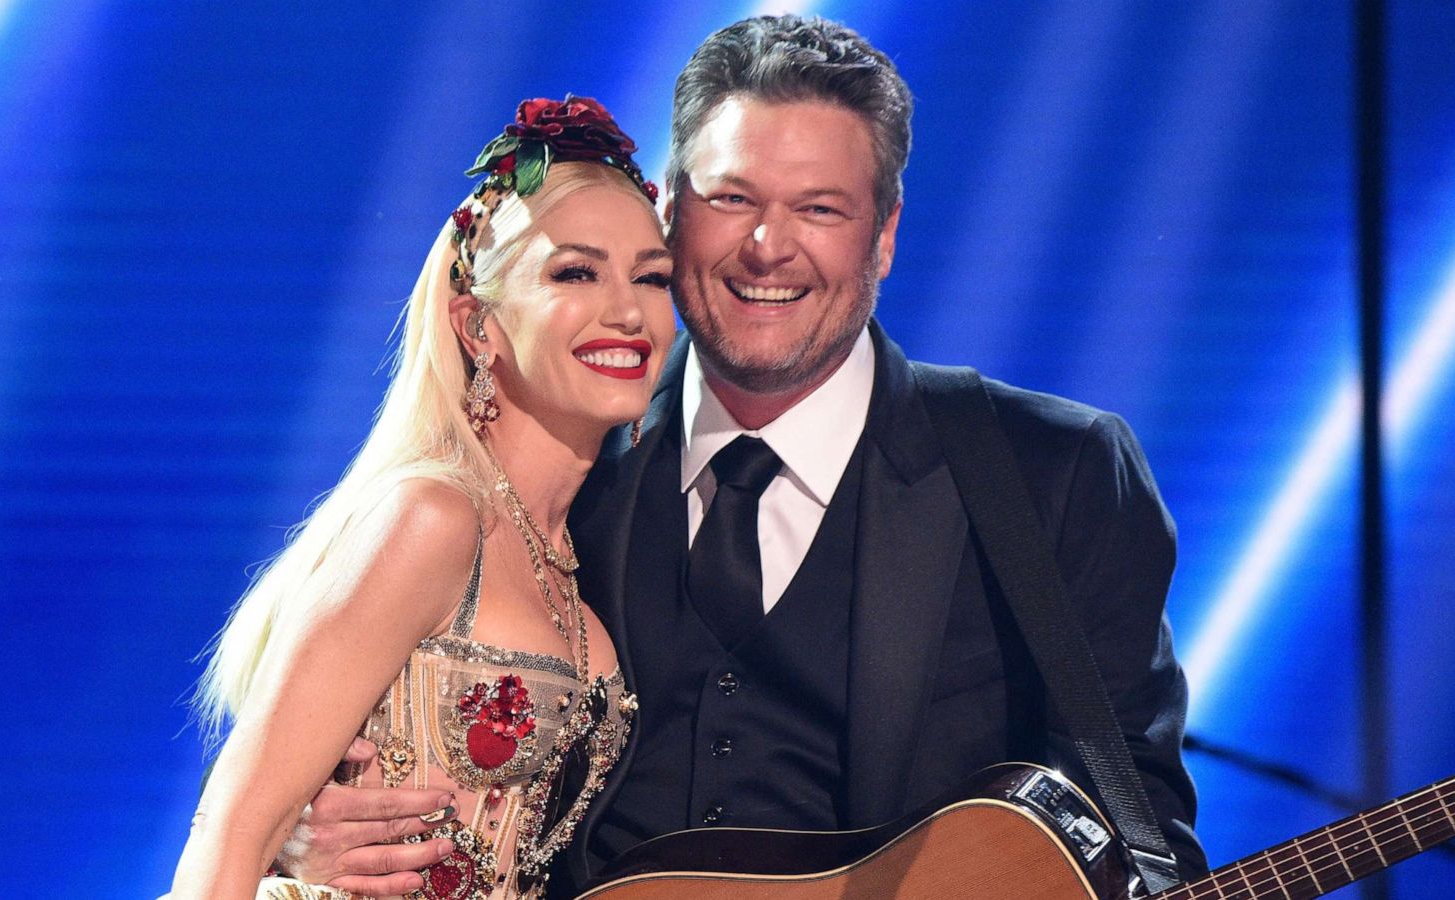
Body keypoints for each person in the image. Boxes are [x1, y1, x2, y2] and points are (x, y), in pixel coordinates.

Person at [280, 15, 1209, 899]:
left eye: (820, 208)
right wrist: (306, 828)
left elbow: (1141, 835)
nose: (769, 248)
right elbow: (341, 740)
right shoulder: (550, 463)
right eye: (733, 199)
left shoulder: (1055, 472)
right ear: (671, 212)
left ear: (883, 236)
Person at [168, 96, 676, 899]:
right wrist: (287, 846)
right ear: (477, 325)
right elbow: (235, 822)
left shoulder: (576, 554)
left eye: (652, 277)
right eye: (575, 272)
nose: (629, 310)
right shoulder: (432, 517)